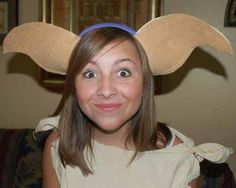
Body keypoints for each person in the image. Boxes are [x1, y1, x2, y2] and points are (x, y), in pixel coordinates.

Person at [3, 14, 233, 188]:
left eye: (123, 72)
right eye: (90, 74)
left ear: (145, 83)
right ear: (74, 85)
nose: (106, 89)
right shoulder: (59, 144)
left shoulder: (178, 157)